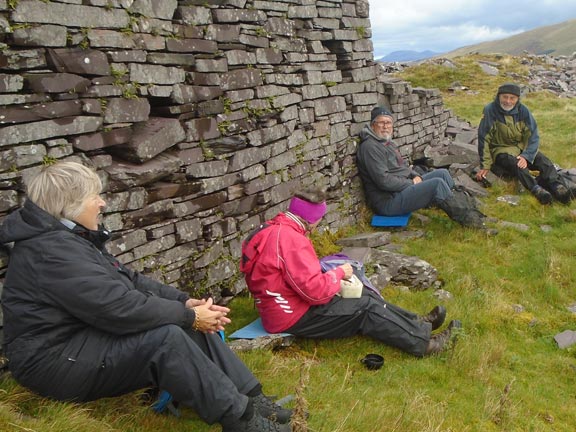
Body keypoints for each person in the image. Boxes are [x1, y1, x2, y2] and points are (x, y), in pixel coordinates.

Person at [0, 161, 291, 432]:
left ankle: (252, 398)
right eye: (94, 196)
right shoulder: (52, 253)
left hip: (79, 341)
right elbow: (117, 308)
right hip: (52, 362)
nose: (102, 203)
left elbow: (130, 281)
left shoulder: (68, 238)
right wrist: (189, 317)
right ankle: (243, 421)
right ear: (70, 206)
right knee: (167, 338)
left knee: (182, 323)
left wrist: (184, 303)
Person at [240, 188, 462, 358]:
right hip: (292, 316)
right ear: (313, 219)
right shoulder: (292, 241)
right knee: (365, 308)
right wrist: (337, 274)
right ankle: (425, 345)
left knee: (364, 295)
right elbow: (315, 293)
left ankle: (418, 324)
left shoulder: (272, 229)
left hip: (280, 307)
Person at [357, 106, 488, 228]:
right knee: (436, 184)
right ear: (373, 125)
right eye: (381, 122)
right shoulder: (370, 147)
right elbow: (383, 181)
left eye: (388, 122)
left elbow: (401, 168)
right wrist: (411, 183)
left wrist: (415, 175)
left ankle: (470, 209)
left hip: (398, 192)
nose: (385, 126)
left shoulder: (386, 142)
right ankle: (473, 222)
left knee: (442, 173)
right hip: (388, 202)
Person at [476, 82, 574, 205]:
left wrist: (526, 156)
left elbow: (533, 136)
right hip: (500, 150)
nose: (508, 101)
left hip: (521, 148)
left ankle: (557, 186)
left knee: (543, 161)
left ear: (517, 99)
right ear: (498, 96)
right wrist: (485, 165)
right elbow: (483, 138)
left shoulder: (523, 111)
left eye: (512, 98)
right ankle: (537, 190)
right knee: (518, 165)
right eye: (504, 97)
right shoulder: (490, 110)